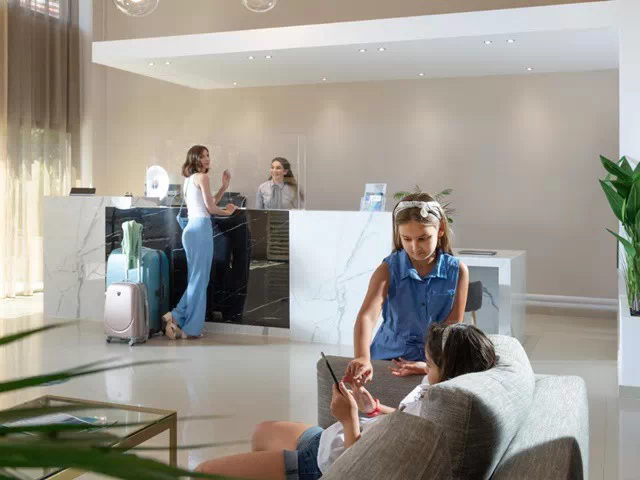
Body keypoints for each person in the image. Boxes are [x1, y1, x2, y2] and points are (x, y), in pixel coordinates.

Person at [194, 323, 497, 479]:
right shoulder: (441, 395)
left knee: (203, 473)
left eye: (428, 365)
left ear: (450, 372)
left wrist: (349, 418)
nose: (423, 370)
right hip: (331, 442)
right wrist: (372, 408)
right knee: (262, 432)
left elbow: (362, 470)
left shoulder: (439, 419)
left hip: (327, 465)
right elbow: (405, 421)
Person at [346, 192, 469, 384]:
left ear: (440, 229)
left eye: (423, 238)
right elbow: (367, 317)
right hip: (388, 359)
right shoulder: (387, 269)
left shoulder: (458, 271)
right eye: (407, 239)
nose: (414, 247)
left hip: (435, 362)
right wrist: (362, 357)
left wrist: (430, 366)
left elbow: (452, 326)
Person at [162, 145, 237, 340]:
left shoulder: (188, 180)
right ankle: (185, 324)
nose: (207, 159)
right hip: (201, 229)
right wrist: (228, 212)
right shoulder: (203, 177)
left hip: (191, 230)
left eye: (208, 155)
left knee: (196, 279)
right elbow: (211, 209)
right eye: (203, 156)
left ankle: (179, 318)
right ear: (195, 159)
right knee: (199, 280)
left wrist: (223, 187)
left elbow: (207, 203)